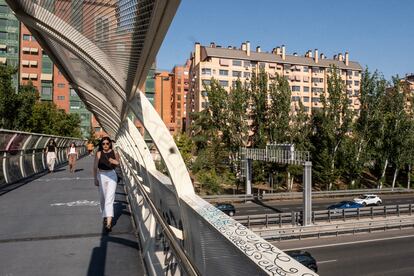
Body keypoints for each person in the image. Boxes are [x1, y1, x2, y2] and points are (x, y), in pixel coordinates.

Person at [93, 137, 120, 232]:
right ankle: (105, 215)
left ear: (110, 144)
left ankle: (109, 223)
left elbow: (118, 163)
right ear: (101, 144)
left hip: (112, 175)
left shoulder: (114, 152)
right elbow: (95, 167)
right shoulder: (99, 153)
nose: (105, 145)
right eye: (103, 143)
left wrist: (114, 161)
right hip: (101, 175)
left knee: (109, 198)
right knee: (102, 198)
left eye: (107, 143)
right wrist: (95, 179)